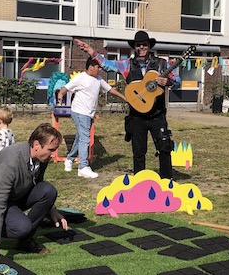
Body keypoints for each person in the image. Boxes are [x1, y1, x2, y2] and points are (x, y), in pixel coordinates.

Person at [74, 31, 180, 179]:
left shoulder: (162, 64)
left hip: (157, 115)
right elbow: (107, 64)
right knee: (138, 152)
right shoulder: (127, 64)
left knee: (164, 149)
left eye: (144, 44)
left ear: (149, 46)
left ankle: (168, 182)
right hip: (137, 116)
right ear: (134, 47)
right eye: (138, 45)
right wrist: (91, 51)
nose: (141, 47)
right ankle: (140, 184)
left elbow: (177, 82)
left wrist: (168, 82)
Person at [0, 123, 67, 262]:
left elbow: (38, 182)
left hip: (15, 195)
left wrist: (52, 210)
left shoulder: (41, 157)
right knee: (22, 228)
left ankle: (24, 241)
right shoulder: (11, 162)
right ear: (36, 144)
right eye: (51, 150)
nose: (53, 155)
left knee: (48, 191)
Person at [55, 57, 127, 178]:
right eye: (97, 67)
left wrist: (125, 97)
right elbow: (65, 88)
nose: (99, 69)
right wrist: (60, 95)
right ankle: (83, 167)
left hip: (89, 113)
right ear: (90, 67)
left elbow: (110, 90)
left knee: (81, 137)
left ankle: (70, 158)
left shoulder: (98, 79)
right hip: (79, 112)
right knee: (85, 138)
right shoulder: (80, 78)